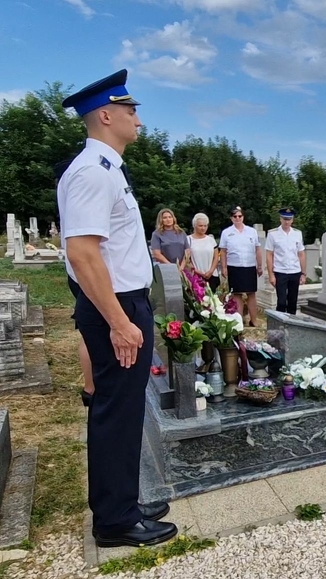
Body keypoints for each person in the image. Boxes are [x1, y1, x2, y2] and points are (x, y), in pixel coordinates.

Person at [58, 69, 177, 547]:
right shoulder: (92, 171)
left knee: (127, 410)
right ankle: (114, 521)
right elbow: (83, 253)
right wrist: (119, 321)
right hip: (115, 307)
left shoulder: (108, 169)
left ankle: (123, 502)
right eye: (131, 112)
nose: (139, 122)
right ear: (106, 115)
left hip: (123, 302)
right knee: (115, 410)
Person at [54, 157, 95, 407]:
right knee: (90, 334)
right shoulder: (78, 197)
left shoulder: (67, 199)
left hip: (77, 275)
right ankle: (91, 387)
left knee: (88, 333)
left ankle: (91, 387)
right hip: (85, 276)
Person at [219, 207, 262, 325]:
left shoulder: (251, 231)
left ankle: (253, 320)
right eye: (235, 216)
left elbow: (257, 249)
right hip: (234, 266)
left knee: (251, 293)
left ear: (243, 217)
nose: (237, 218)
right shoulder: (226, 232)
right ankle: (239, 322)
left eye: (240, 216)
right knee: (237, 294)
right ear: (231, 218)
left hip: (249, 265)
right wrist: (224, 267)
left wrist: (259, 265)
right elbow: (223, 251)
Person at [266, 208, 306, 314]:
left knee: (293, 302)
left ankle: (291, 324)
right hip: (280, 271)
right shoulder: (273, 234)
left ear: (292, 220)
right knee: (282, 302)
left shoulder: (297, 233)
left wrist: (303, 273)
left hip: (295, 271)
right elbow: (269, 255)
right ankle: (280, 324)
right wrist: (271, 274)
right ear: (280, 219)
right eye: (285, 219)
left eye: (289, 219)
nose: (287, 222)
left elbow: (301, 254)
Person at [188, 213, 220, 291]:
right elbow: (187, 260)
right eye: (200, 226)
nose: (203, 228)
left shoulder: (211, 240)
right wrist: (199, 272)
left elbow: (216, 257)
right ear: (194, 226)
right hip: (196, 276)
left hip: (212, 275)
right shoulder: (188, 240)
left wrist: (211, 271)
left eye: (205, 226)